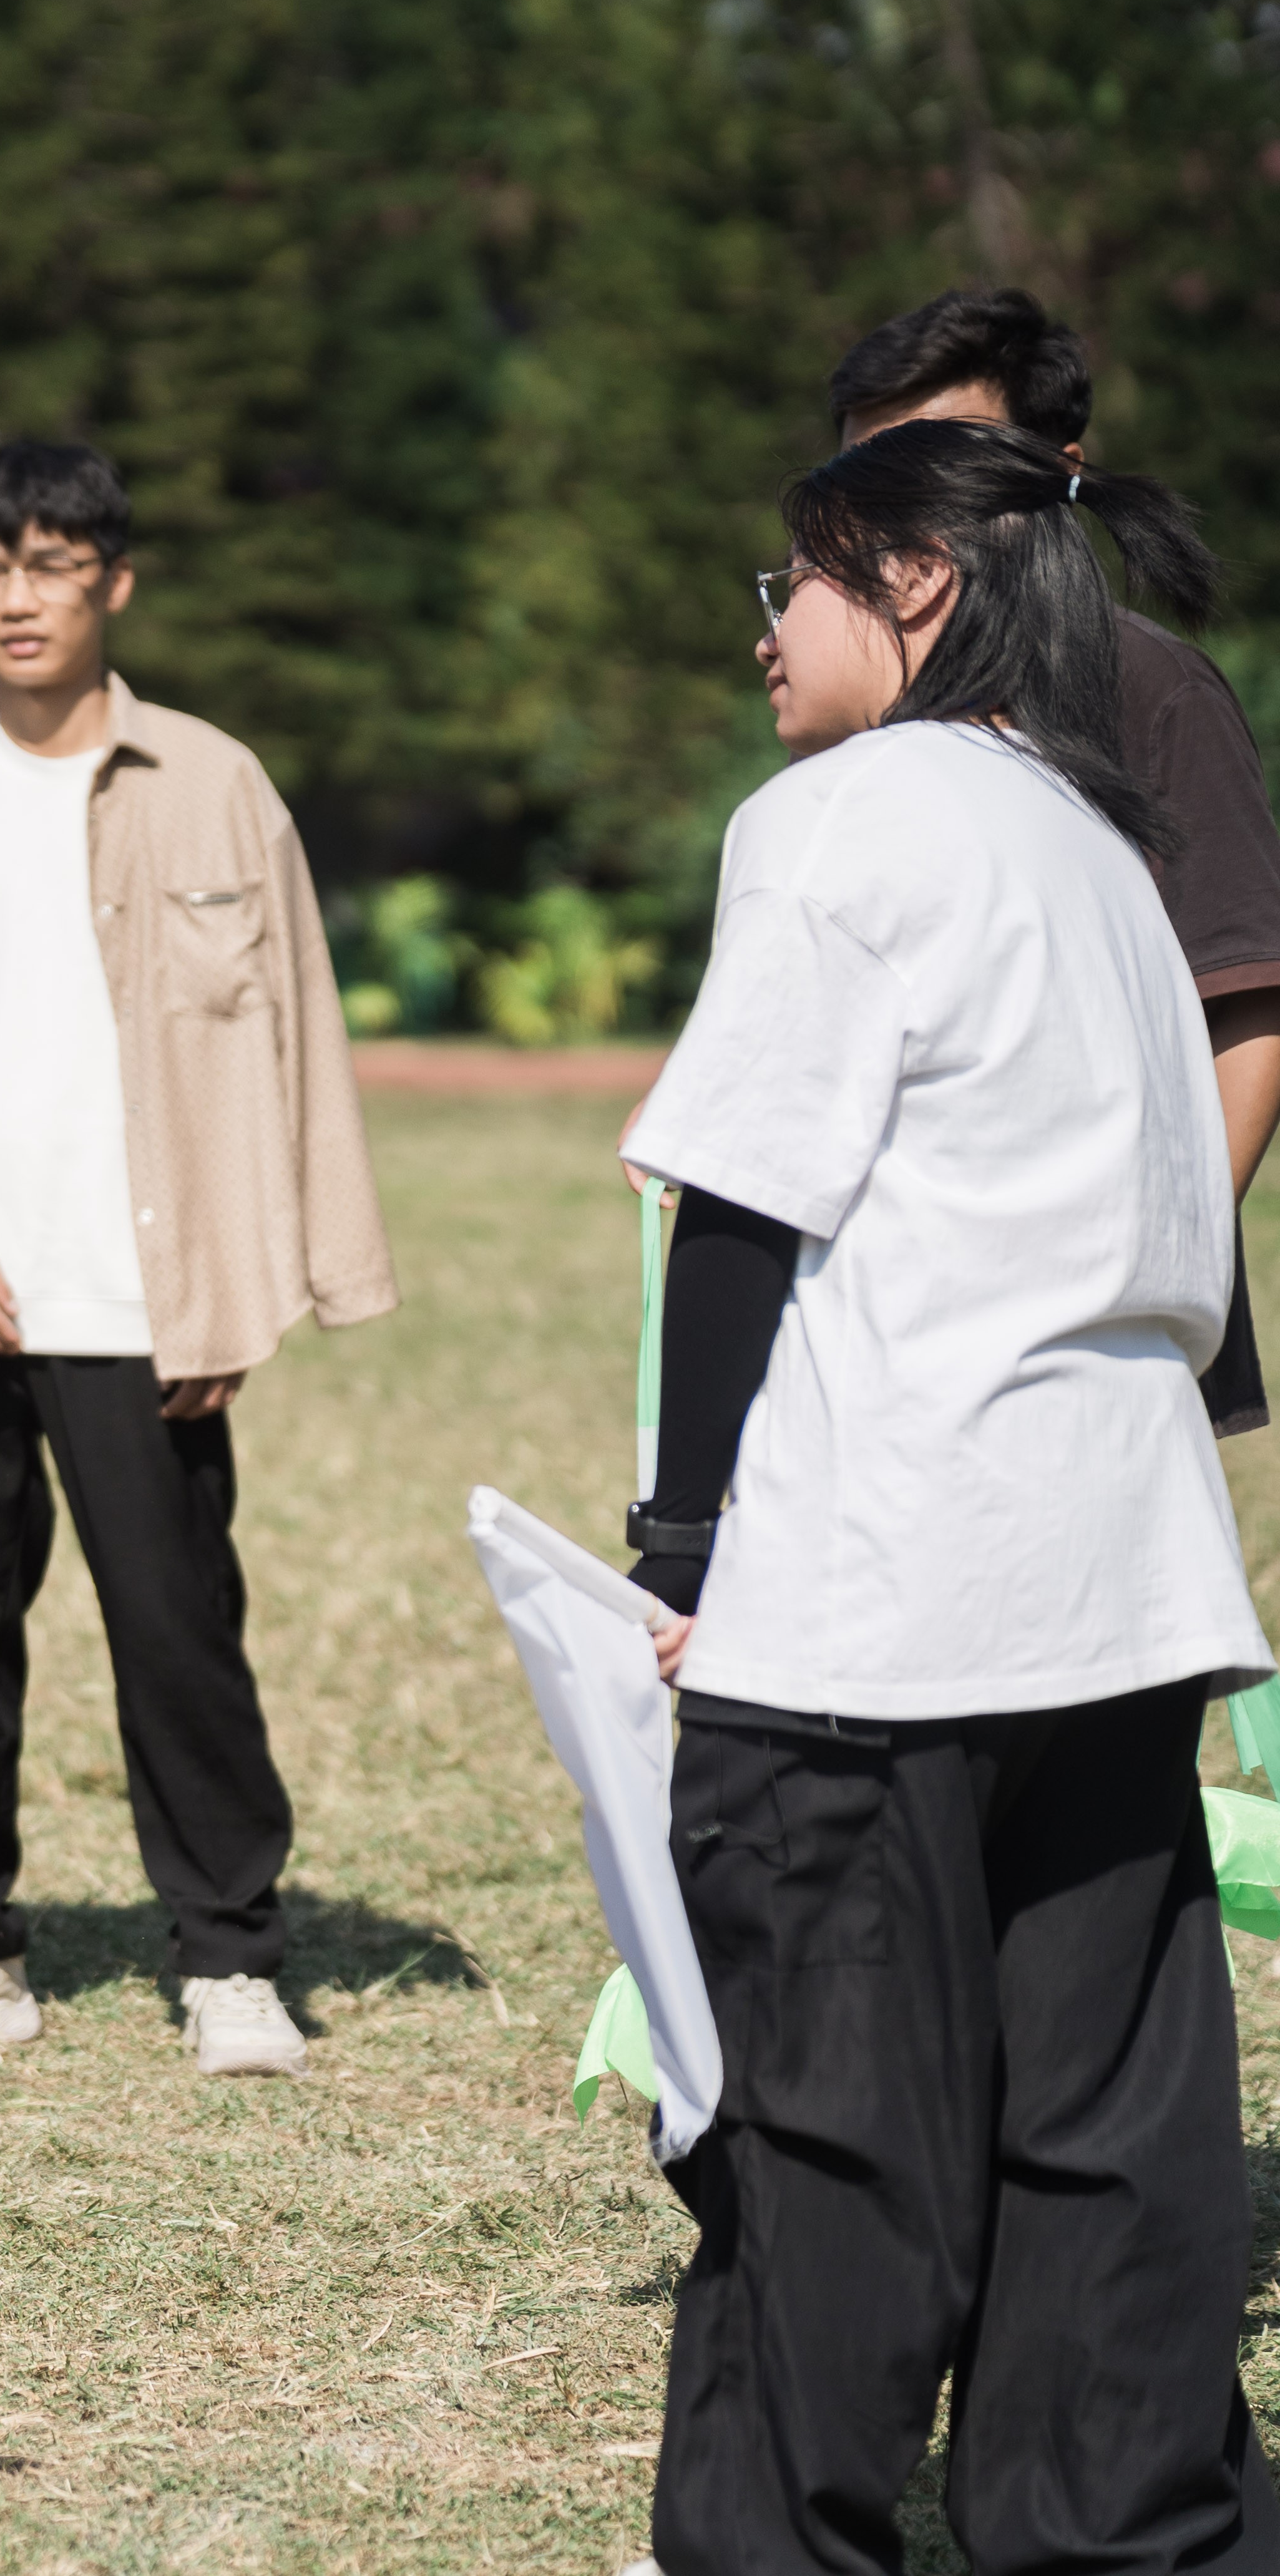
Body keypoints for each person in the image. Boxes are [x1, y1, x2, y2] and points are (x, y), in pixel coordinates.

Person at [615, 419, 1274, 2576]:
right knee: (1102, 2149)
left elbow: (739, 1204)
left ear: (910, 584)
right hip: (1118, 1585)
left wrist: (682, 1548)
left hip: (877, 1605)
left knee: (827, 2153)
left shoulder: (845, 817)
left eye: (788, 584)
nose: (761, 633)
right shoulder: (1097, 839)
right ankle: (1120, 2537)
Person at [0, 440, 394, 2079]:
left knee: (179, 1627)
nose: (16, 599)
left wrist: (257, 1281)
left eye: (50, 565)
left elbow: (293, 1040)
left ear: (116, 581)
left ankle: (230, 1955)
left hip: (139, 1290)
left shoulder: (216, 784)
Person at [823, 287, 1280, 1431]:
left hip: (1094, 1328)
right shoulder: (856, 702)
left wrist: (1148, 1278)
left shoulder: (1151, 690)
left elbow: (1247, 1013)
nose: (897, 510)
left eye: (939, 459)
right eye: (866, 476)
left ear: (1054, 475)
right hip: (899, 1309)